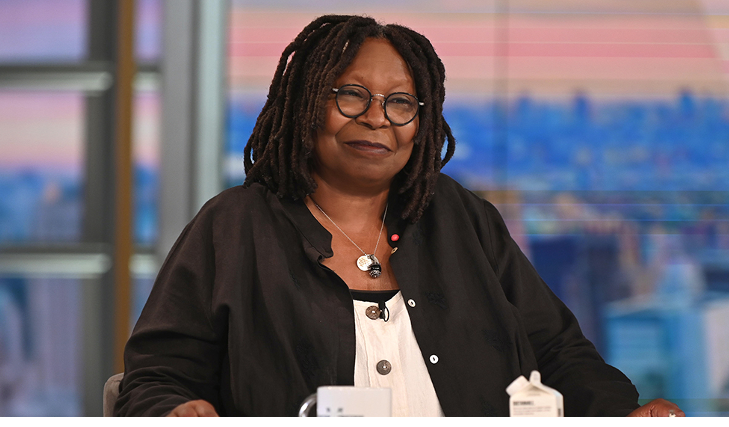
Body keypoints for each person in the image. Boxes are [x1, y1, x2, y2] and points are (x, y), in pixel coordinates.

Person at [114, 15, 684, 417]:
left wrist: (623, 413)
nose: (377, 118)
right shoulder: (234, 227)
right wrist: (175, 410)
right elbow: (156, 378)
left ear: (420, 121)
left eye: (400, 102)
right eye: (351, 94)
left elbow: (557, 352)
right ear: (307, 103)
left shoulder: (462, 218)